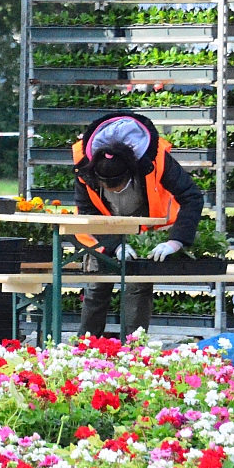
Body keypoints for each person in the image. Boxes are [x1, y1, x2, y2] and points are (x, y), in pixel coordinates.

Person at [72, 111, 204, 339]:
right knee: (97, 287)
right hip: (103, 230)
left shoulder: (157, 161)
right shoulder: (83, 166)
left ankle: (133, 350)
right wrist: (114, 245)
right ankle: (85, 348)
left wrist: (176, 241)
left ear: (132, 172)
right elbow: (86, 211)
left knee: (138, 287)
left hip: (141, 230)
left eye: (119, 187)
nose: (113, 192)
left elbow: (192, 196)